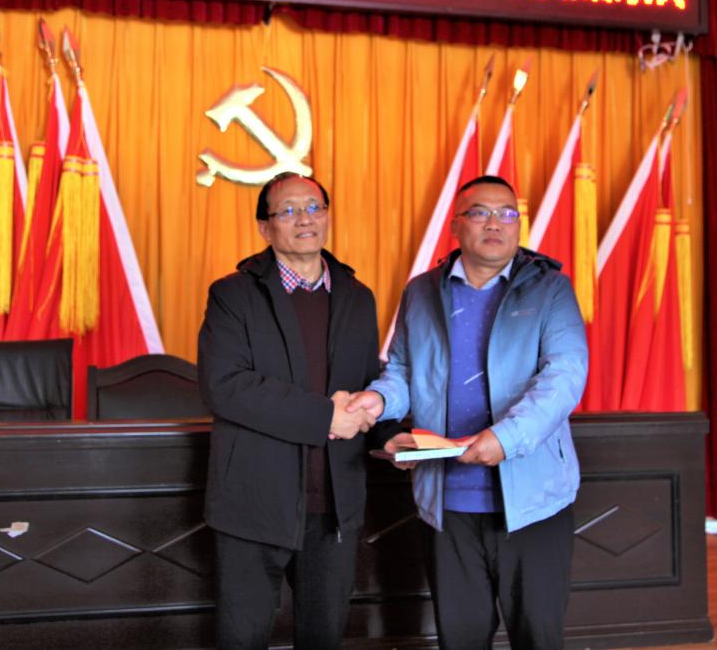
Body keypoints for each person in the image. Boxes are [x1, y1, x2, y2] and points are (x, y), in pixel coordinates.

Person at [350, 175, 588, 650]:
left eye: (507, 213)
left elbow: (564, 375)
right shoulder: (421, 291)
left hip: (532, 501)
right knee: (460, 639)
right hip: (447, 502)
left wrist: (506, 439)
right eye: (480, 212)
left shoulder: (550, 289)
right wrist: (377, 402)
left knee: (538, 637)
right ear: (455, 225)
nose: (494, 223)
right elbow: (403, 370)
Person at [198, 172, 389, 649]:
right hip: (254, 503)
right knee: (243, 639)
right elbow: (226, 386)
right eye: (288, 210)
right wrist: (325, 417)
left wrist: (392, 437)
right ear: (265, 228)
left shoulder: (357, 296)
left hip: (334, 507)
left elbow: (368, 383)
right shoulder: (233, 295)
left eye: (313, 207)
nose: (304, 218)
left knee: (324, 638)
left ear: (327, 216)